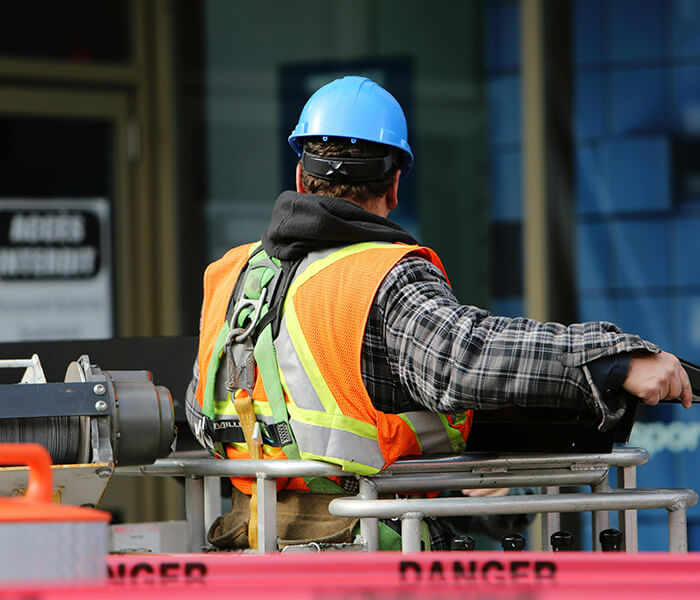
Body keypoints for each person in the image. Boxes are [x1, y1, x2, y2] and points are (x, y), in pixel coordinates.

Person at [185, 75, 692, 551]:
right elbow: (464, 358)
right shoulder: (381, 276)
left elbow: (200, 405)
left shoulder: (231, 276)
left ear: (299, 174)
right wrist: (616, 360)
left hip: (250, 549)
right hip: (365, 554)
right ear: (395, 185)